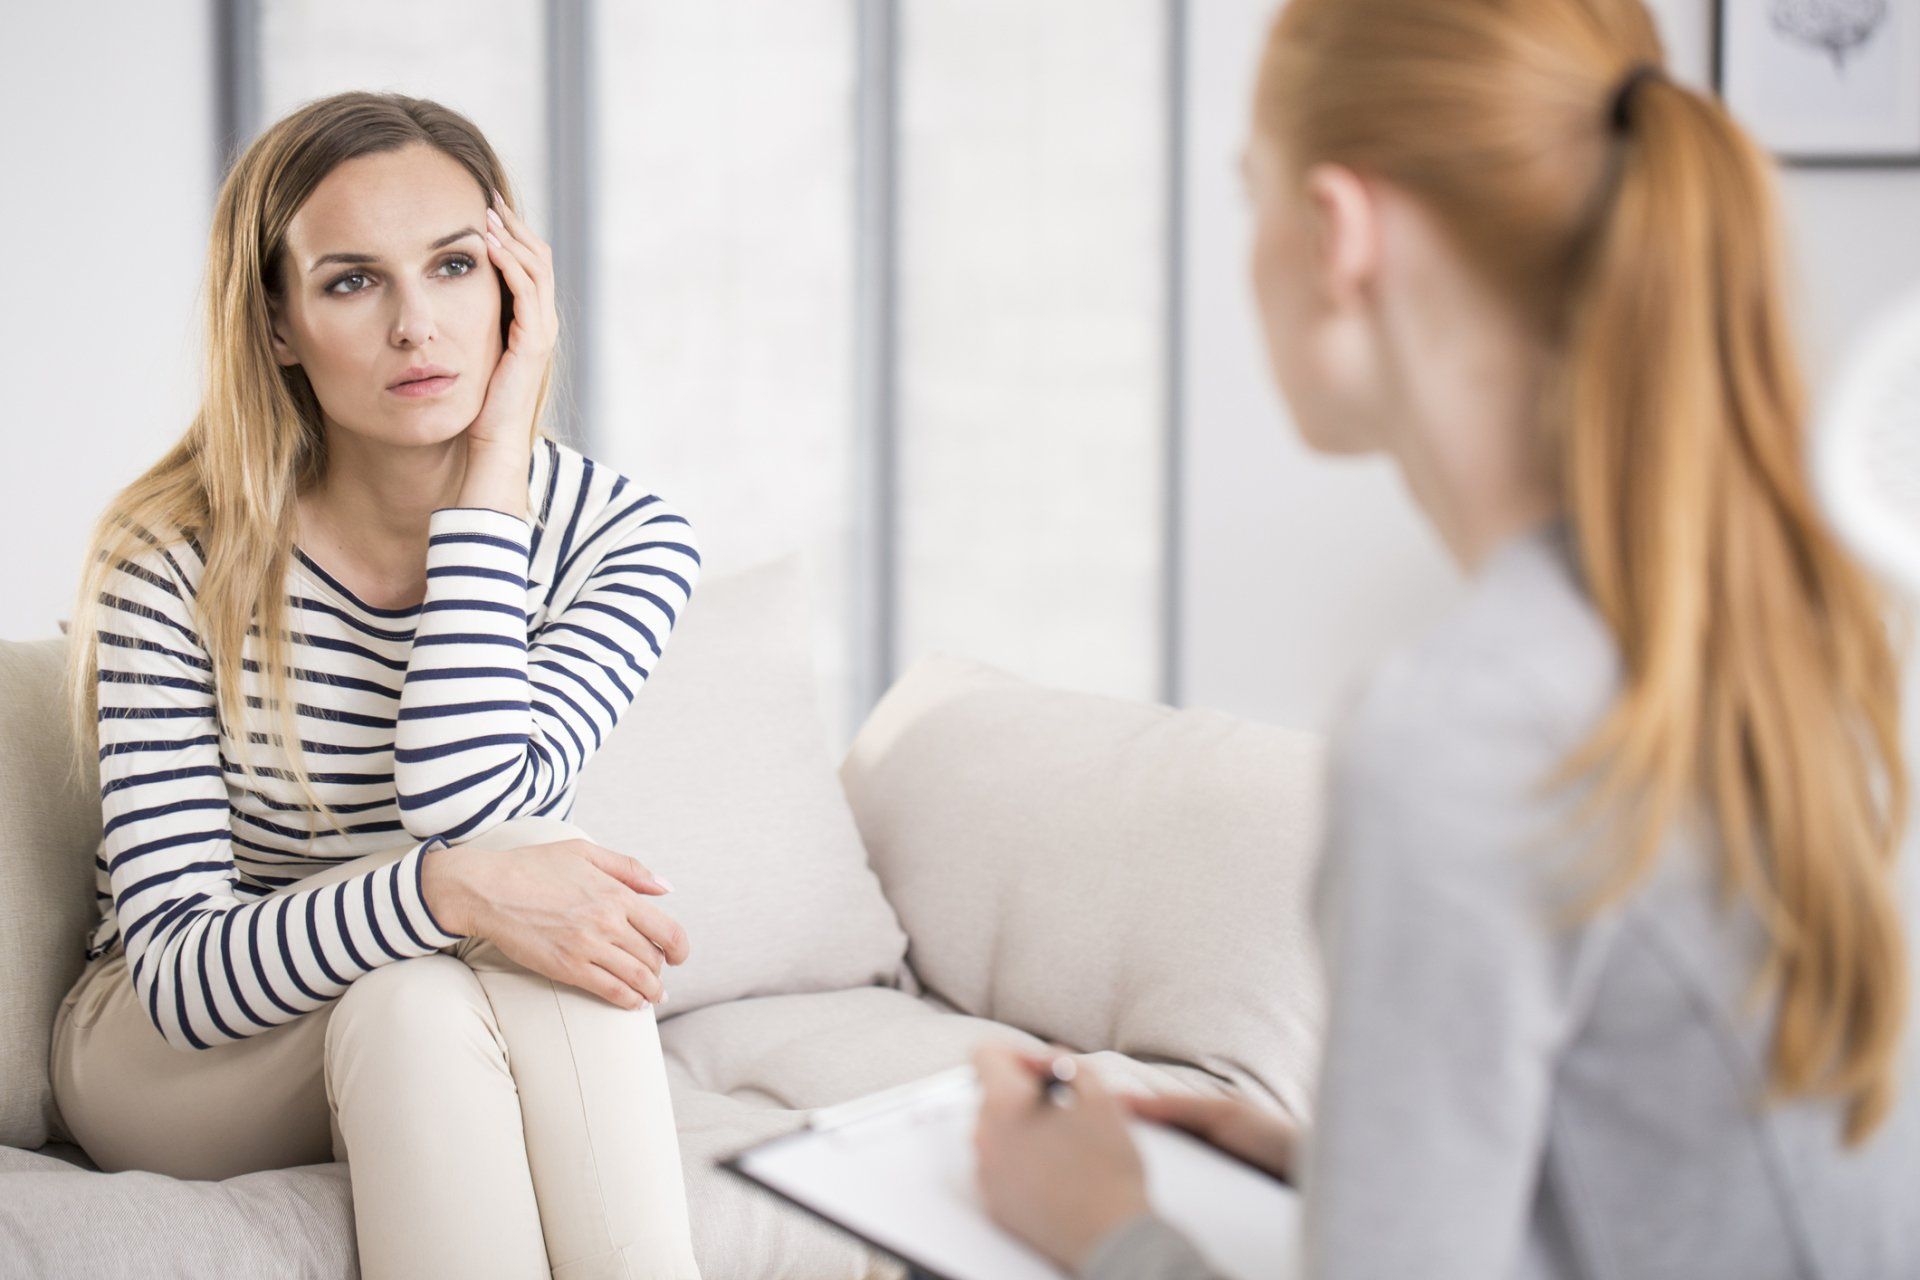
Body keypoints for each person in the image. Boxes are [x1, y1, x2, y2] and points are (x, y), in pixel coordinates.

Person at [970, 0, 1919, 1276]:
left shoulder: (1465, 731)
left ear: (1338, 233)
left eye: (1251, 194)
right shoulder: (1756, 626)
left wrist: (1097, 1225)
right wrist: (1340, 1164)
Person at [49, 90, 705, 1279]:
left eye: (455, 265)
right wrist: (451, 893)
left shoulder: (628, 539)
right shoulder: (171, 554)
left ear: (518, 287)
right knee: (473, 940)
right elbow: (188, 972)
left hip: (421, 1003)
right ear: (282, 324)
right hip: (178, 1048)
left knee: (427, 996)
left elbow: (476, 808)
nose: (418, 325)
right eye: (353, 280)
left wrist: (493, 471)